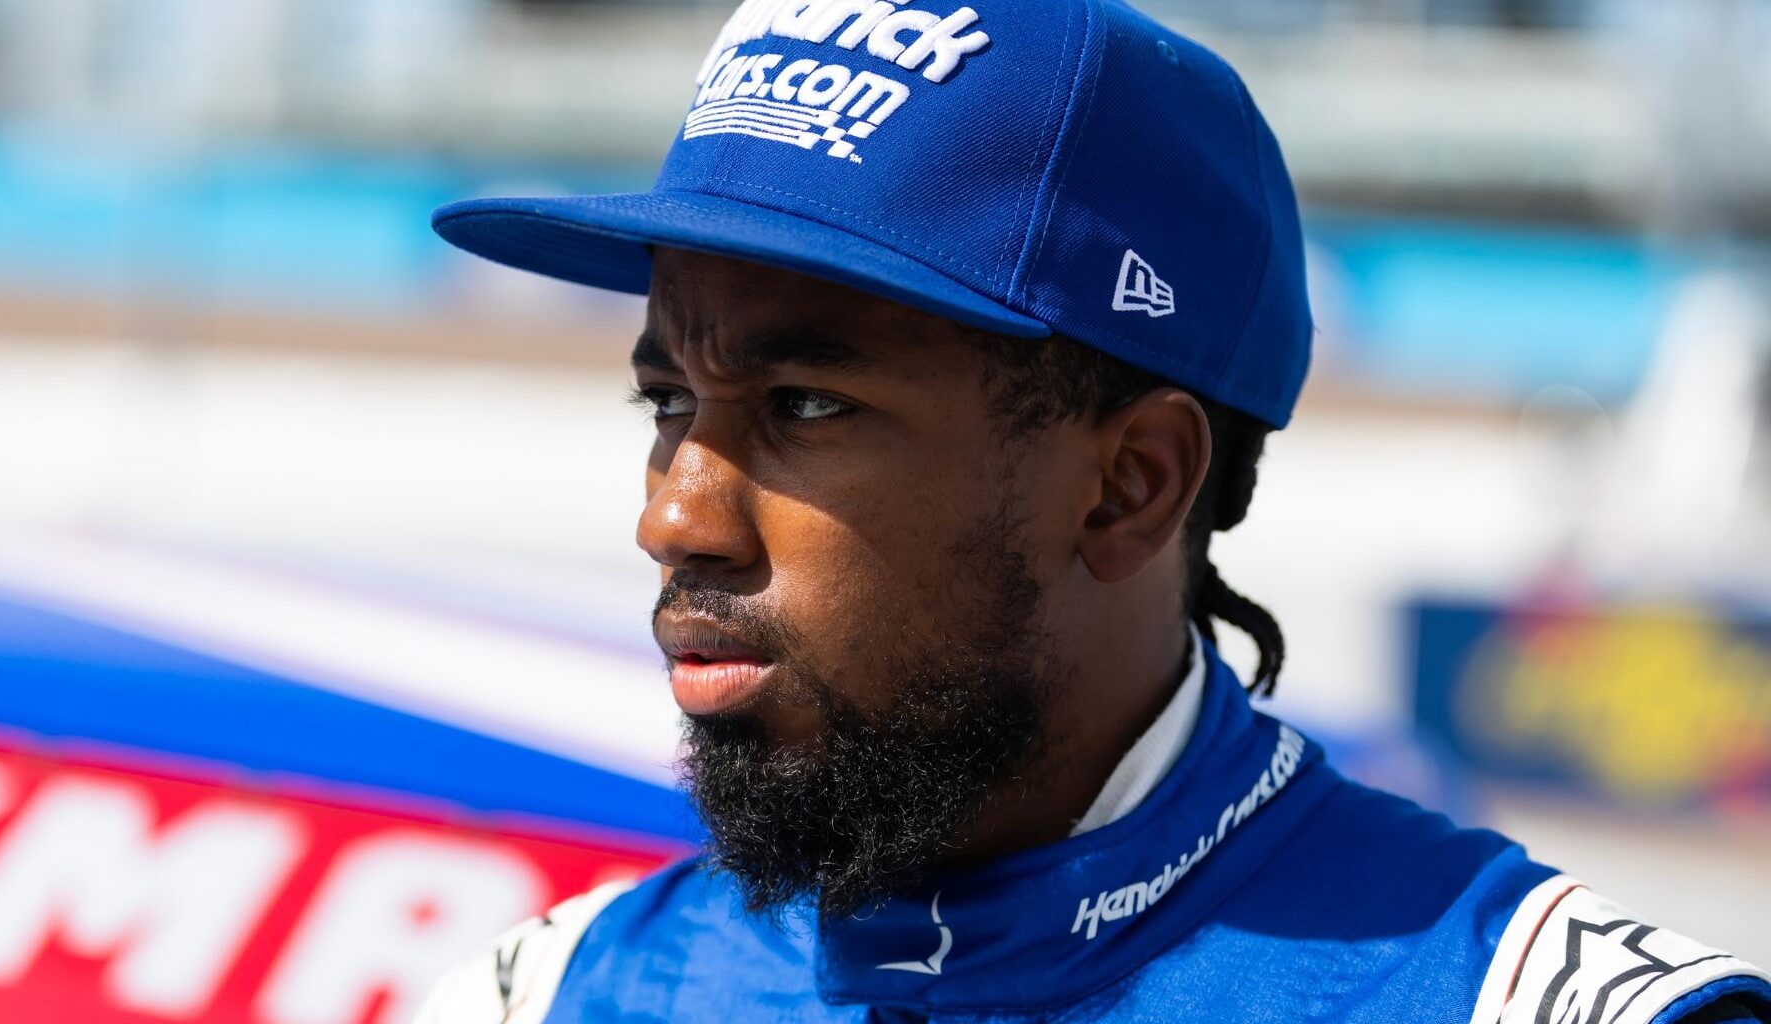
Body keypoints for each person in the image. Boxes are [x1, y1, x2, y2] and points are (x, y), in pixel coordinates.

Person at [417, 0, 1771, 1020]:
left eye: (805, 405)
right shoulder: (554, 992)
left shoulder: (1513, 998)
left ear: (1131, 485)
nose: (678, 516)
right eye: (669, 405)